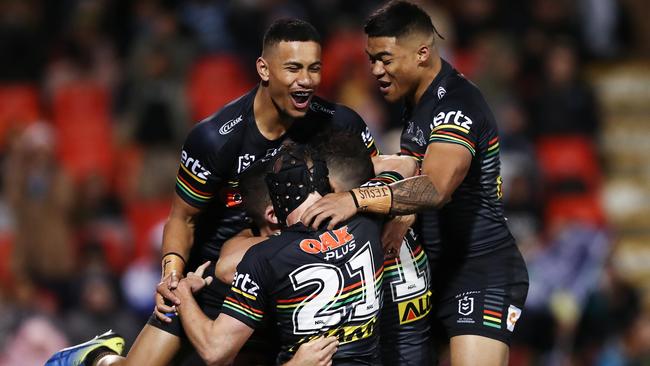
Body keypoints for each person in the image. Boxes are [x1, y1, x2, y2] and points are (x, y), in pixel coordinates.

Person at [45, 18, 377, 366]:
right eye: (293, 68)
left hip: (289, 270)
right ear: (264, 69)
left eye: (314, 68)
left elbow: (378, 175)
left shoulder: (339, 123)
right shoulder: (216, 138)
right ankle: (96, 358)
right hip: (212, 277)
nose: (306, 80)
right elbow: (182, 220)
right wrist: (172, 279)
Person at [301, 1, 529, 365]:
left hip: (480, 271)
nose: (375, 69)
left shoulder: (457, 103)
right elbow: (420, 168)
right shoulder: (418, 102)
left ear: (422, 53)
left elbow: (435, 188)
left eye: (385, 59)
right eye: (371, 58)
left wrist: (357, 200)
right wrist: (403, 215)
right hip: (434, 271)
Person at [218, 132, 434, 365]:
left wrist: (292, 238)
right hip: (416, 350)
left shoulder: (356, 224)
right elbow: (407, 164)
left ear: (331, 189)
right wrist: (388, 208)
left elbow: (226, 268)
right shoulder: (378, 210)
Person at [173, 143, 385, 365]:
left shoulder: (263, 257)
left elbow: (215, 352)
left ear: (274, 209)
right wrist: (360, 200)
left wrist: (183, 292)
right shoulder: (368, 221)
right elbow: (411, 171)